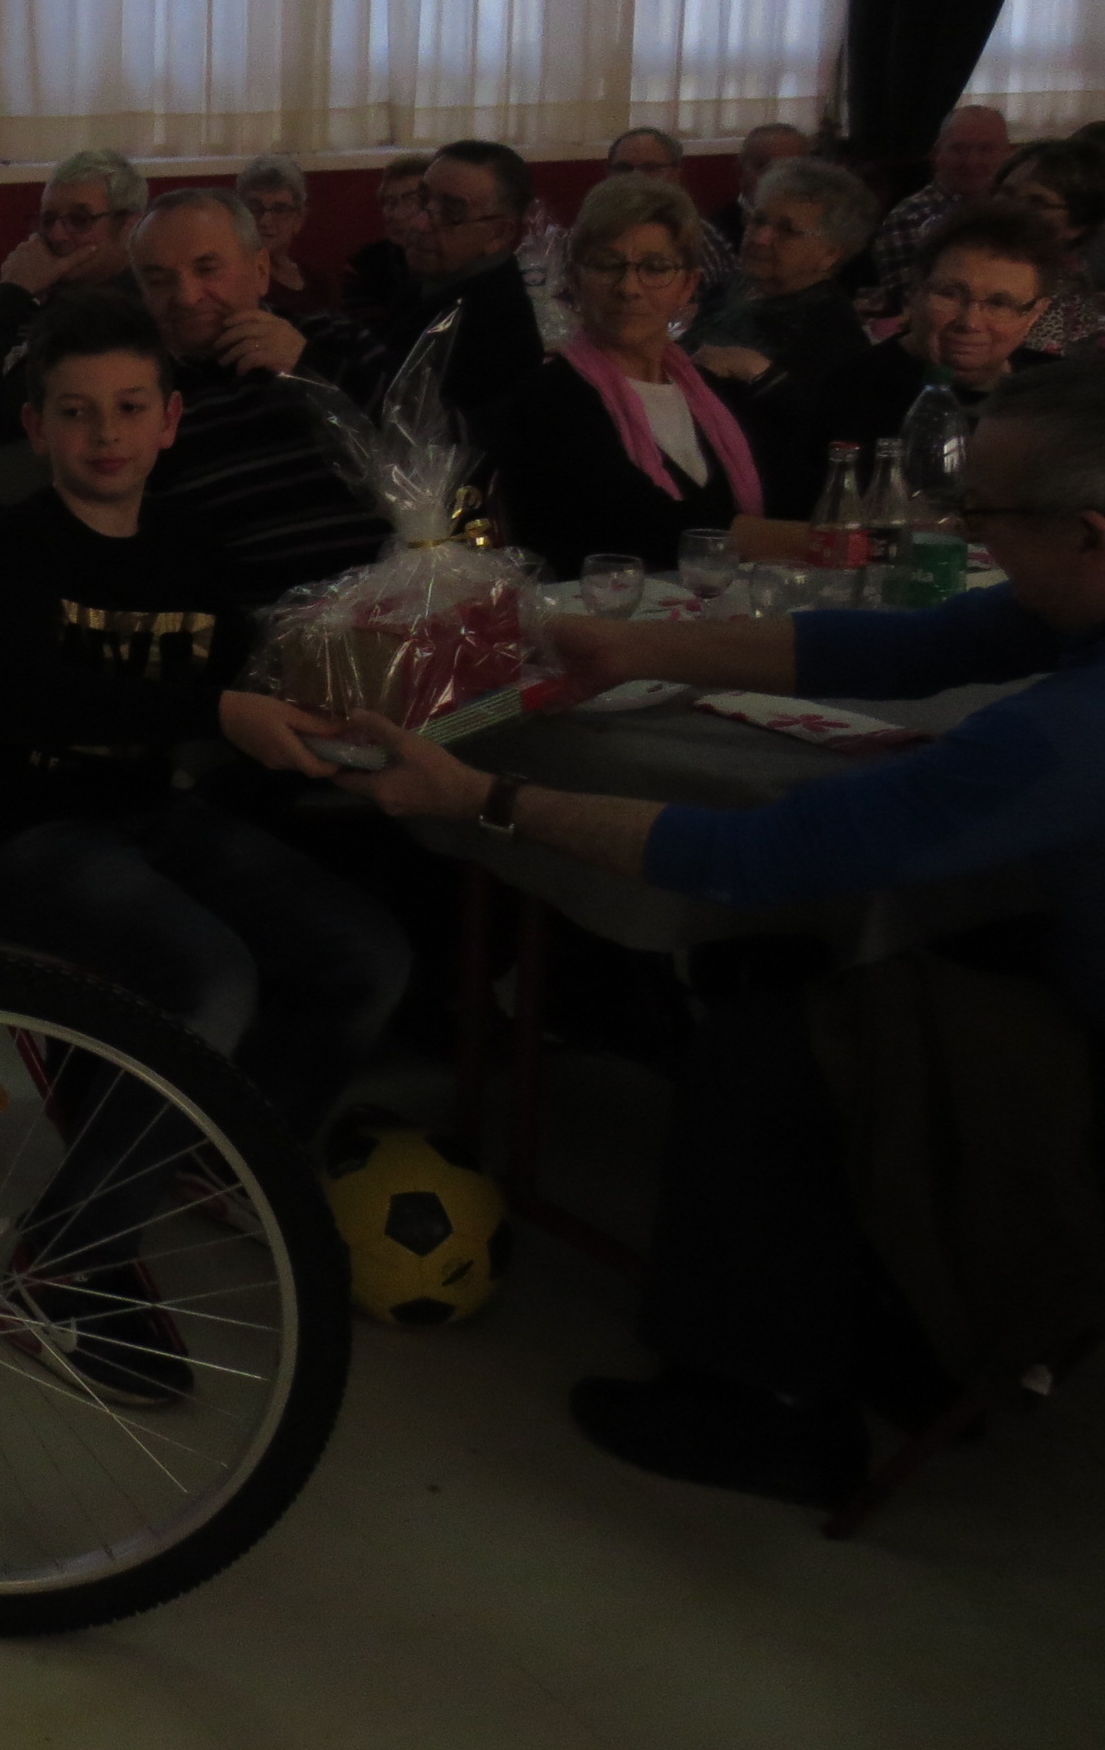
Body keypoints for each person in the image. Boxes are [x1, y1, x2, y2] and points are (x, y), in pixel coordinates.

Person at [339, 360, 1105, 1508]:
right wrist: (640, 648)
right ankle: (903, 1327)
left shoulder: (1066, 735)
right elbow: (915, 648)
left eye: (985, 514)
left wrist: (483, 800)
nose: (964, 532)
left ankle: (772, 1402)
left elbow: (756, 859)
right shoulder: (1075, 609)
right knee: (845, 969)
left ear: (1088, 533)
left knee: (775, 1036)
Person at [0, 291, 411, 1400]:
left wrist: (342, 708)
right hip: (22, 831)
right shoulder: (8, 549)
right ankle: (61, 1264)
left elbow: (247, 678)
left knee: (366, 955)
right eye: (76, 412)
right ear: (36, 429)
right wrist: (218, 713)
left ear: (171, 420)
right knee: (210, 979)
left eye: (129, 407)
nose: (105, 434)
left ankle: (218, 1152)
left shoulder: (192, 544)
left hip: (153, 815)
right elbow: (21, 698)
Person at [482, 177, 770, 577]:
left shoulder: (716, 392)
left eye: (656, 267)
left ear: (688, 286)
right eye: (606, 265)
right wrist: (818, 542)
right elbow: (652, 528)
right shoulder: (547, 399)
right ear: (574, 280)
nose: (629, 287)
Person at [125, 188, 394, 605]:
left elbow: (445, 441)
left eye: (207, 268)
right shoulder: (143, 395)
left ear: (261, 270)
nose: (187, 296)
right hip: (251, 624)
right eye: (159, 280)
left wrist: (308, 364)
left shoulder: (335, 342)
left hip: (394, 605)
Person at [781, 204, 1068, 515]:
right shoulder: (851, 391)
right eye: (950, 294)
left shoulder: (1059, 392)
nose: (970, 322)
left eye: (999, 303)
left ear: (1035, 314)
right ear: (915, 292)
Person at [0, 146, 148, 460]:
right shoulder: (56, 299)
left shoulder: (111, 319)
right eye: (48, 220)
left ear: (130, 227)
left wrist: (11, 292)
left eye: (80, 220)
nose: (57, 235)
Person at [687, 156, 878, 483]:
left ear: (830, 253)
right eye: (758, 220)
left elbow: (815, 434)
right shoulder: (736, 285)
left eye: (787, 230)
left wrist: (760, 374)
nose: (760, 237)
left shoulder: (830, 331)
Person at [389, 138, 554, 428]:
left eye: (452, 211)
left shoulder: (495, 327)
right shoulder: (435, 282)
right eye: (422, 200)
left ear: (498, 234)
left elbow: (414, 427)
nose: (419, 223)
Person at [865, 103, 1013, 314]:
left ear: (1007, 153)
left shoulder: (1019, 209)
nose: (972, 161)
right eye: (959, 149)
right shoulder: (911, 217)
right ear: (937, 154)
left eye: (986, 149)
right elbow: (912, 304)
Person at [603, 125, 739, 304]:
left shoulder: (702, 237)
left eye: (651, 168)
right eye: (623, 168)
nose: (635, 177)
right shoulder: (587, 233)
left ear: (675, 174)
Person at [997, 139, 1105, 356]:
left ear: (1078, 223)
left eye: (1037, 202)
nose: (1012, 210)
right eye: (1007, 194)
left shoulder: (1065, 292)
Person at [342, 151, 436, 331]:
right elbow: (363, 333)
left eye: (410, 200)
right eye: (389, 202)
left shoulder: (451, 257)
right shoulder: (365, 264)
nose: (394, 214)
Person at [237, 153, 333, 318]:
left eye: (279, 209)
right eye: (255, 208)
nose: (265, 221)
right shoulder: (236, 280)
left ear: (299, 219)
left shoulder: (317, 280)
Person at [715, 121, 815, 248]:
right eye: (764, 166)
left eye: (790, 168)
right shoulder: (714, 234)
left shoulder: (824, 228)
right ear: (740, 172)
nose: (776, 177)